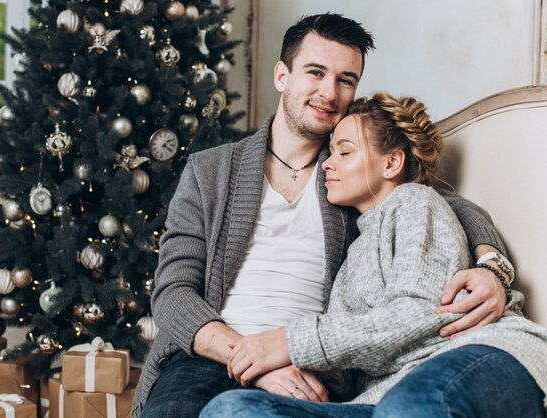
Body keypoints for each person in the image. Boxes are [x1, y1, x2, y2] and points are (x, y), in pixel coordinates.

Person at [133, 14, 512, 418]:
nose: (329, 92)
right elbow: (173, 295)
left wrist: (493, 267)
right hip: (208, 356)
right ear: (282, 75)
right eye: (316, 72)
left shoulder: (349, 173)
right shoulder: (212, 170)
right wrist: (251, 360)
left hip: (311, 366)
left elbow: (443, 200)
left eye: (345, 79)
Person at [201, 93, 547, 418]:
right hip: (378, 401)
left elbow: (424, 313)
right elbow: (349, 366)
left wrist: (291, 342)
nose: (327, 165)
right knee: (231, 410)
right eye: (330, 152)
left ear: (392, 162)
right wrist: (288, 374)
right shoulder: (352, 252)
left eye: (344, 152)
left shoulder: (414, 202)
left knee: (408, 406)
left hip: (472, 358)